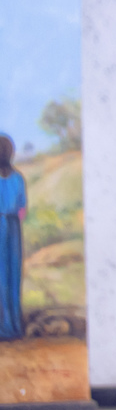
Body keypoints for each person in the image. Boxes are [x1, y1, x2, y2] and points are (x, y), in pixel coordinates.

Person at [0, 134, 27, 341]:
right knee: (14, 275)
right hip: (14, 227)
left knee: (2, 277)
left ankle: (5, 327)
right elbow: (22, 211)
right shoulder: (18, 178)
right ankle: (16, 327)